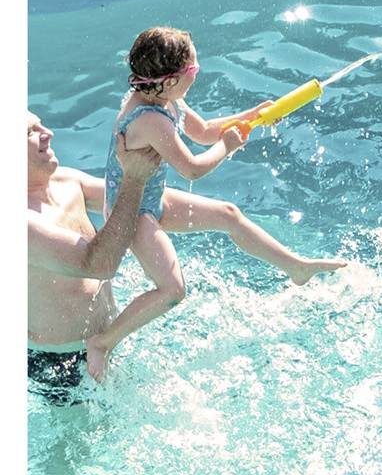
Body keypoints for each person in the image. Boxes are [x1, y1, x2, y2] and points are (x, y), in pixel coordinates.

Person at [84, 26, 345, 381]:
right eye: (193, 70)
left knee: (229, 215)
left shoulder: (165, 98)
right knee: (172, 290)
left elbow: (204, 130)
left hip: (151, 196)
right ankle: (103, 342)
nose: (197, 73)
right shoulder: (148, 120)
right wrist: (229, 147)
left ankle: (296, 267)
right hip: (132, 212)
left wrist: (251, 116)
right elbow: (193, 167)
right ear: (171, 78)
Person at [26, 110, 160, 401]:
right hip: (60, 362)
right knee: (80, 445)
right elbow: (100, 264)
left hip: (104, 339)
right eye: (29, 132)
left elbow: (140, 204)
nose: (48, 133)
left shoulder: (64, 182)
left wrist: (225, 216)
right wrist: (134, 180)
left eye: (40, 124)